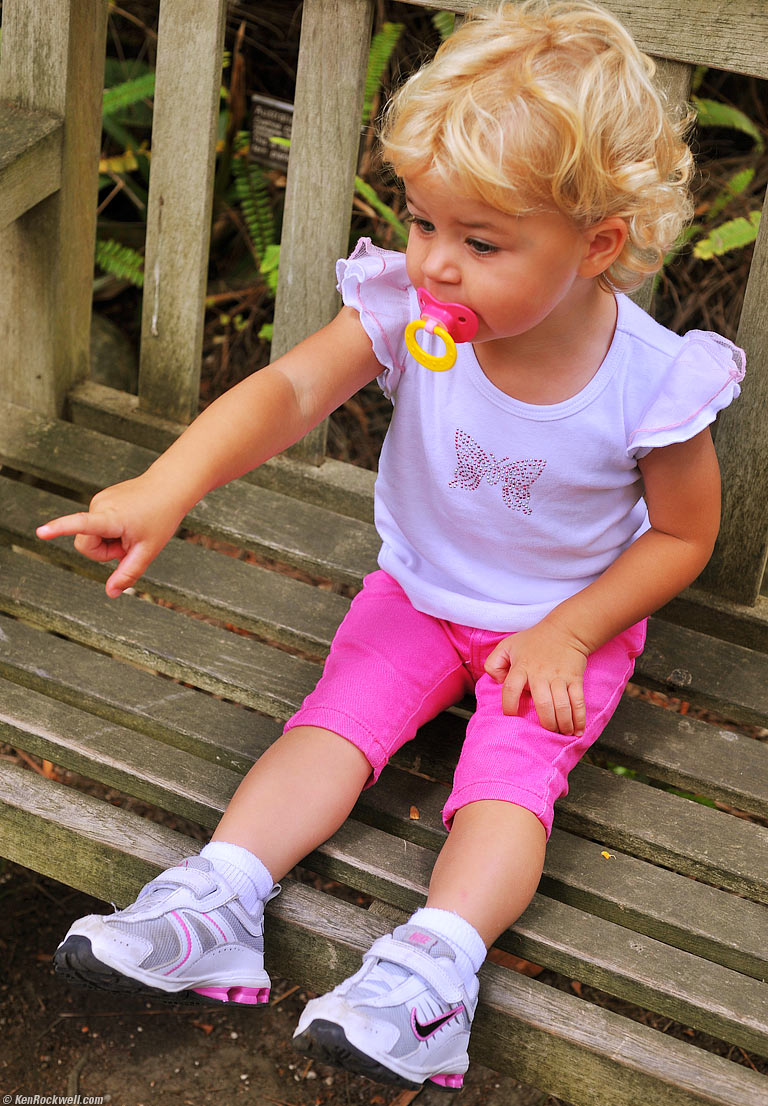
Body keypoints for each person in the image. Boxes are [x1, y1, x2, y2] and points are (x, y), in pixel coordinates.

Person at [37, 0, 744, 1093]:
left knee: (506, 783)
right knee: (332, 722)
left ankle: (433, 974)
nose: (437, 265)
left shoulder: (648, 384)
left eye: (480, 241)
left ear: (596, 245)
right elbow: (294, 386)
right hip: (418, 590)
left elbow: (688, 534)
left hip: (561, 626)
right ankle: (221, 895)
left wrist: (573, 627)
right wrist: (168, 483)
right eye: (421, 224)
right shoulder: (413, 309)